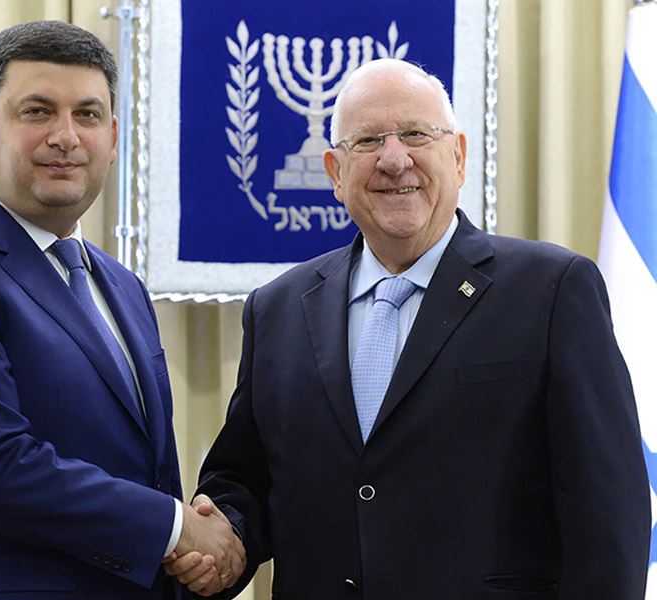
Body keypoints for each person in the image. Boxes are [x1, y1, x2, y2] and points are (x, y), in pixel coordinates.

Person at [164, 58, 651, 598]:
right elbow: (247, 479)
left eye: (417, 134)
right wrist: (223, 540)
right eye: (368, 141)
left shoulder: (552, 290)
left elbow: (609, 515)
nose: (395, 161)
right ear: (334, 172)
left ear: (458, 156)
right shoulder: (276, 309)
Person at [0, 20, 243, 600]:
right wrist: (175, 528)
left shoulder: (120, 284)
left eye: (87, 115)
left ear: (114, 137)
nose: (65, 136)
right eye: (37, 111)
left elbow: (142, 469)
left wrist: (188, 549)